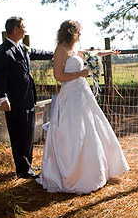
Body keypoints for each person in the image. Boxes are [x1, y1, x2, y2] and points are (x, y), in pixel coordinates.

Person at [37, 20, 129, 194]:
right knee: (73, 131)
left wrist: (109, 52)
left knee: (91, 129)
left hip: (82, 94)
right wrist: (82, 73)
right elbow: (59, 76)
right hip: (70, 96)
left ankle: (94, 171)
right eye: (78, 32)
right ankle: (73, 175)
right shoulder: (61, 50)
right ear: (71, 33)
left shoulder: (74, 50)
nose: (80, 35)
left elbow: (93, 52)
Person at [0, 16, 53, 179]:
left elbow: (38, 53)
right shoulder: (3, 51)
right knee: (18, 133)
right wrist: (3, 98)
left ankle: (28, 166)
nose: (26, 30)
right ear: (15, 29)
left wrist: (57, 53)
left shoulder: (22, 47)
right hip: (14, 101)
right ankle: (22, 170)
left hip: (28, 98)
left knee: (28, 133)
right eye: (23, 27)